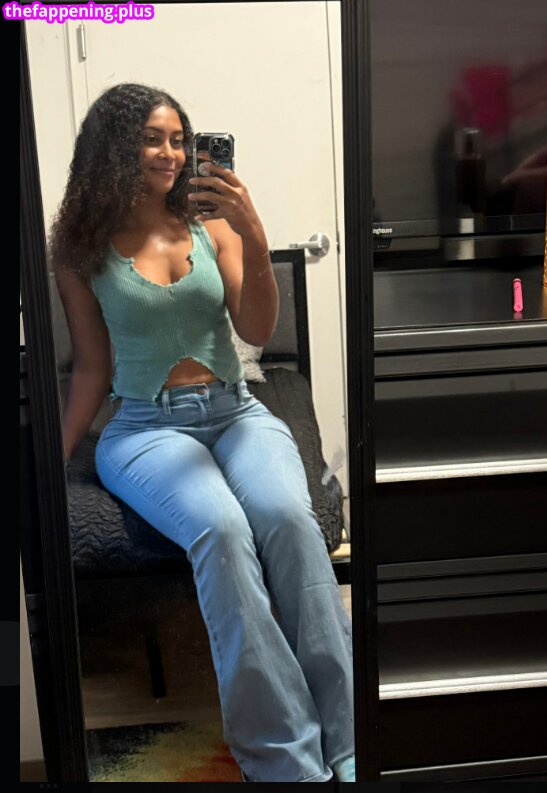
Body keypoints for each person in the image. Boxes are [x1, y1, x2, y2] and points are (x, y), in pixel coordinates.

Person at [50, 82, 355, 784]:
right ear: (114, 148)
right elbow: (91, 367)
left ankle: (346, 736)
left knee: (290, 519)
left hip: (236, 412)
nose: (171, 152)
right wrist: (50, 459)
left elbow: (256, 329)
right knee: (221, 531)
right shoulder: (80, 248)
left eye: (178, 139)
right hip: (144, 430)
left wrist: (251, 229)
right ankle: (282, 757)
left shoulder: (211, 224)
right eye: (152, 139)